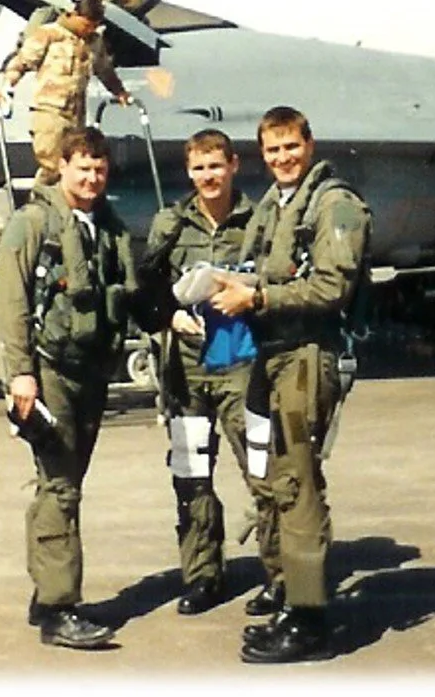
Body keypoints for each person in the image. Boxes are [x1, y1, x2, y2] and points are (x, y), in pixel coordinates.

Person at [209, 106, 371, 664]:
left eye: (291, 147)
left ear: (310, 144)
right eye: (273, 150)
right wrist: (230, 283)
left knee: (298, 482)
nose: (283, 158)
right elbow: (271, 269)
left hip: (306, 356)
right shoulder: (278, 205)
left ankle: (309, 620)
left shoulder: (334, 205)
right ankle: (293, 599)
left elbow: (330, 288)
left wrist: (257, 297)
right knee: (278, 478)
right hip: (273, 355)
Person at [0, 125, 139, 650]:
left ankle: (45, 592)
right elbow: (10, 299)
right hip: (49, 369)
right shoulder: (33, 223)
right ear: (63, 166)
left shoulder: (107, 227)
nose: (92, 178)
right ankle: (59, 608)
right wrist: (21, 373)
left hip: (91, 373)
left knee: (63, 481)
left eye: (99, 169)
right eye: (83, 168)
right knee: (60, 486)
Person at [142, 129, 272, 617]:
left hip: (242, 364)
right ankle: (202, 575)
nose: (208, 176)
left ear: (233, 165)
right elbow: (147, 286)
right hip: (188, 369)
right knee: (191, 471)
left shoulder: (259, 220)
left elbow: (276, 277)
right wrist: (169, 316)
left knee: (262, 469)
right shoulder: (170, 224)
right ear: (188, 171)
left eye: (216, 166)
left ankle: (280, 577)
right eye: (199, 168)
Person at [0, 0, 133, 184]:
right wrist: (6, 87)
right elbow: (21, 63)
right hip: (50, 112)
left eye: (94, 26)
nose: (89, 29)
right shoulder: (49, 34)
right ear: (74, 15)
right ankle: (40, 201)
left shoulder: (94, 41)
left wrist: (120, 92)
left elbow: (104, 70)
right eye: (86, 24)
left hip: (76, 115)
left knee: (73, 165)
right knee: (53, 165)